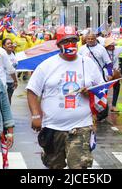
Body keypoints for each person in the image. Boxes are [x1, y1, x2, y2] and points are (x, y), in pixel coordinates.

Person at [26, 26, 104, 169]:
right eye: (65, 41)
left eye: (73, 40)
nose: (70, 44)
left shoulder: (87, 63)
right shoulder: (47, 65)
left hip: (81, 127)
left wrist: (91, 92)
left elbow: (101, 89)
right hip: (53, 128)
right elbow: (32, 91)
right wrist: (36, 116)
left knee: (79, 166)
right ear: (58, 44)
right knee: (55, 166)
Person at [104, 38, 122, 112]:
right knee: (104, 89)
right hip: (106, 72)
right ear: (106, 46)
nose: (112, 46)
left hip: (116, 72)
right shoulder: (103, 51)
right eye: (110, 45)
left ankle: (114, 105)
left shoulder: (118, 49)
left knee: (116, 88)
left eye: (113, 45)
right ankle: (104, 105)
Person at [2, 38, 19, 103]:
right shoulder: (2, 55)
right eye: (8, 44)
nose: (10, 45)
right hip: (4, 81)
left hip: (12, 81)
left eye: (11, 43)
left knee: (9, 98)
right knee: (5, 100)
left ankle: (7, 112)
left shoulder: (13, 54)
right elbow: (10, 69)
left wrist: (15, 80)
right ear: (4, 46)